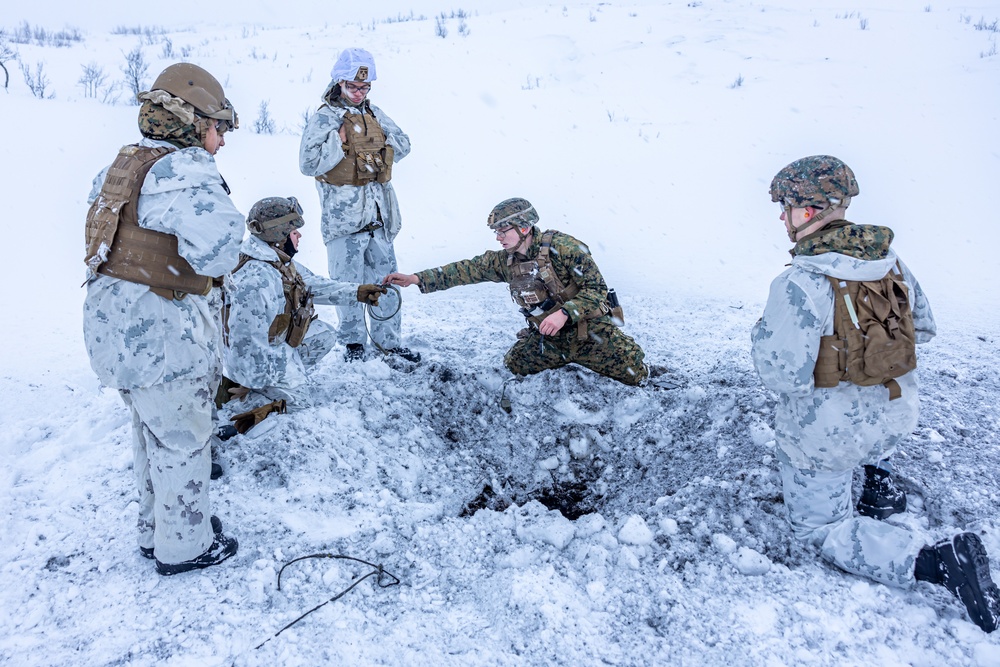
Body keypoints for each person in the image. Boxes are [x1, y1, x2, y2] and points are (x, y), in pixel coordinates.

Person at [751, 155, 999, 632]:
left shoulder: (799, 281)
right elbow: (921, 329)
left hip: (827, 441)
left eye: (785, 207)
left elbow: (781, 375)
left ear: (807, 211)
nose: (782, 217)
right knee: (862, 422)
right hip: (893, 419)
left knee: (819, 530)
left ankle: (935, 562)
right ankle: (878, 484)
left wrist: (763, 333)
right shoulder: (890, 261)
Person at [82, 63, 242, 576]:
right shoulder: (186, 172)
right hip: (165, 335)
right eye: (219, 127)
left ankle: (157, 530)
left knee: (150, 433)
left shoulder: (125, 164)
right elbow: (219, 254)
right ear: (193, 122)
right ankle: (185, 546)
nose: (221, 140)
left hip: (118, 330)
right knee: (182, 440)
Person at [385, 198, 648, 386]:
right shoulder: (505, 261)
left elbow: (596, 290)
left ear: (523, 227)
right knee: (515, 364)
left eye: (503, 230)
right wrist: (417, 279)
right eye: (496, 231)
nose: (498, 237)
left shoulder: (566, 248)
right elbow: (465, 270)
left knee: (636, 374)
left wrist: (565, 314)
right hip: (551, 340)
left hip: (592, 334)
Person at [298, 47, 418, 363]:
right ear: (338, 82)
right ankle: (353, 343)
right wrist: (339, 141)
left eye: (364, 87)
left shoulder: (374, 113)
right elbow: (307, 163)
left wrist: (376, 142)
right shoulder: (323, 118)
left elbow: (404, 143)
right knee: (347, 285)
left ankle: (389, 342)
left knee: (387, 283)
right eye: (353, 87)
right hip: (343, 221)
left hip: (379, 217)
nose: (359, 92)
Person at [223, 196, 387, 417]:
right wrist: (255, 379)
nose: (299, 235)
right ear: (279, 235)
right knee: (301, 404)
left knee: (324, 334)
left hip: (273, 347)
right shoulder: (257, 279)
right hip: (253, 361)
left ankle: (284, 381)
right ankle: (248, 400)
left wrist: (357, 292)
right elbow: (245, 341)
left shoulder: (275, 259)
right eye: (293, 231)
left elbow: (312, 284)